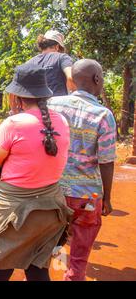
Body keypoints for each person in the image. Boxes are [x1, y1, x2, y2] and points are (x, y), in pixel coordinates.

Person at [0, 63, 72, 281]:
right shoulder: (62, 121)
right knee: (37, 269)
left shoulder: (13, 123)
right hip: (50, 210)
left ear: (17, 97)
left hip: (15, 213)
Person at [48, 59, 116, 281]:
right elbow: (106, 160)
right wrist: (106, 198)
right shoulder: (103, 115)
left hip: (52, 192)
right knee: (79, 258)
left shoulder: (51, 105)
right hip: (87, 196)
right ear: (97, 79)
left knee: (43, 248)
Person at [26, 30, 76, 96]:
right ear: (57, 47)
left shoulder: (29, 62)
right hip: (58, 104)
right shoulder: (62, 57)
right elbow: (70, 77)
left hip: (36, 105)